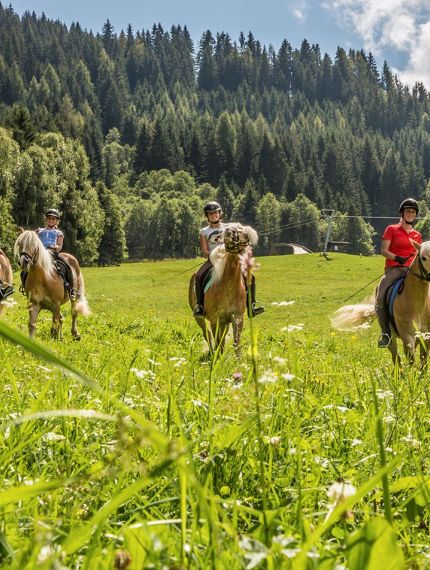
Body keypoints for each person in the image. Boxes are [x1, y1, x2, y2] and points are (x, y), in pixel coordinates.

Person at [193, 201, 264, 317]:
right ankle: (200, 306)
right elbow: (205, 251)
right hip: (213, 260)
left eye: (215, 213)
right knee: (199, 275)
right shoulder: (204, 231)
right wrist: (214, 255)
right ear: (207, 216)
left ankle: (252, 306)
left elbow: (242, 229)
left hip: (230, 259)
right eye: (210, 213)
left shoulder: (228, 227)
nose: (213, 215)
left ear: (219, 213)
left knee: (251, 277)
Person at [375, 198, 422, 348]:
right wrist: (397, 258)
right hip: (394, 269)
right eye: (408, 211)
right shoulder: (391, 229)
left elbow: (418, 255)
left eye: (413, 212)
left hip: (412, 271)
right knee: (381, 297)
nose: (410, 214)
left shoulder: (417, 235)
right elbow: (383, 251)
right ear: (402, 212)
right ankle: (386, 333)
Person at [21, 209, 78, 299]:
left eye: (53, 219)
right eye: (49, 218)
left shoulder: (58, 233)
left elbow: (59, 246)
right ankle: (25, 287)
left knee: (66, 266)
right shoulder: (39, 230)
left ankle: (70, 289)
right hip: (40, 255)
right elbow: (31, 237)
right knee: (24, 271)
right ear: (46, 219)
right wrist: (24, 233)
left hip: (52, 254)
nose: (51, 220)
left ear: (57, 221)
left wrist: (55, 247)